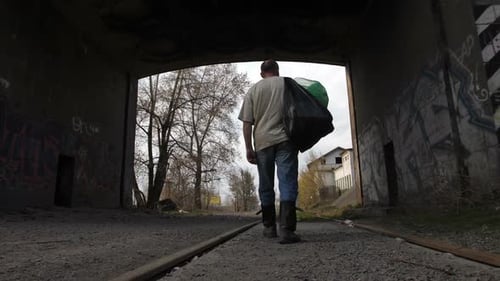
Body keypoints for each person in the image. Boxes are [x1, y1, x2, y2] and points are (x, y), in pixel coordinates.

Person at [238, 59, 300, 244]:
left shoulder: (253, 90)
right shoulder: (287, 84)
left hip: (263, 142)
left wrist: (249, 148)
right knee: (287, 182)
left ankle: (269, 228)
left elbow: (247, 122)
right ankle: (287, 230)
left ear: (261, 73)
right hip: (286, 140)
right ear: (277, 70)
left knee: (266, 185)